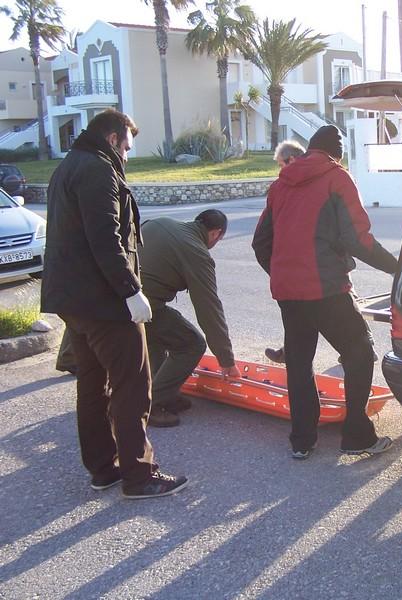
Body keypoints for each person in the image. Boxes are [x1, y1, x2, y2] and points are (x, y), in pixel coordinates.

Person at [41, 109, 187, 499]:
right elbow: (106, 239)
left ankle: (103, 468)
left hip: (74, 300)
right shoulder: (98, 171)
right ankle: (139, 476)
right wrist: (130, 291)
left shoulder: (68, 166)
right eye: (126, 147)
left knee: (93, 385)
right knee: (132, 385)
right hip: (104, 300)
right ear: (111, 139)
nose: (127, 155)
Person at [252, 125, 397, 460]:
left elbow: (261, 242)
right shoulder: (337, 177)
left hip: (288, 291)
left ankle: (302, 440)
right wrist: (396, 267)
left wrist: (284, 273)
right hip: (327, 287)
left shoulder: (280, 183)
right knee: (360, 352)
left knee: (299, 361)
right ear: (338, 152)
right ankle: (357, 435)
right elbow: (357, 239)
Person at [140, 210, 242, 427]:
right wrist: (226, 360)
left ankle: (162, 393)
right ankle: (150, 405)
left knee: (157, 339)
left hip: (120, 297)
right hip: (142, 305)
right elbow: (209, 309)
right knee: (191, 343)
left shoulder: (161, 221)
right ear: (215, 233)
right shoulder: (196, 253)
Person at [263, 140, 305, 365]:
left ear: (292, 160)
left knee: (314, 315)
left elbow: (262, 239)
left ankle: (361, 348)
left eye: (281, 165)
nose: (280, 171)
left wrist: (275, 269)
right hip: (304, 267)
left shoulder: (286, 186)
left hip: (303, 267)